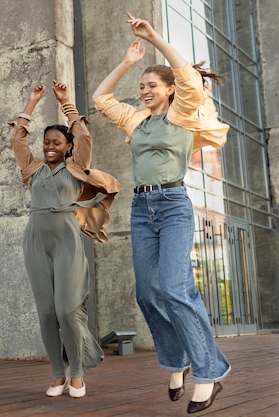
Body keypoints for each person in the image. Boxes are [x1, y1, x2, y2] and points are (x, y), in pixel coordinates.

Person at [92, 12, 231, 414]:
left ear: (169, 90)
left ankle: (209, 373)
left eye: (152, 85)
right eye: (142, 86)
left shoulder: (183, 113)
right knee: (148, 293)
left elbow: (187, 76)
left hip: (173, 207)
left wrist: (153, 36)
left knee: (175, 287)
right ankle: (177, 362)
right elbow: (102, 99)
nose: (144, 90)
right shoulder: (137, 120)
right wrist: (127, 63)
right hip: (141, 208)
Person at [10, 80, 120, 398]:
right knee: (45, 311)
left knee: (66, 310)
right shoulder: (33, 170)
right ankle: (57, 374)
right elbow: (18, 138)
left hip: (67, 241)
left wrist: (65, 102)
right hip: (35, 241)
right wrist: (31, 103)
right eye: (47, 142)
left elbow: (83, 134)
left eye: (56, 142)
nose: (49, 146)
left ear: (67, 146)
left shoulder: (76, 167)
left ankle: (78, 373)